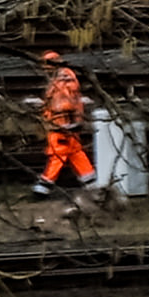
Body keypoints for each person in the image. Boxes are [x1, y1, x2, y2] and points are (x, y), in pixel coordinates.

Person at [35, 48, 99, 196]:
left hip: (61, 125)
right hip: (68, 124)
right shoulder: (64, 77)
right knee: (76, 153)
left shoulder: (63, 80)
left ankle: (43, 188)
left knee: (58, 155)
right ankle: (92, 185)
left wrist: (54, 119)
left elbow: (63, 103)